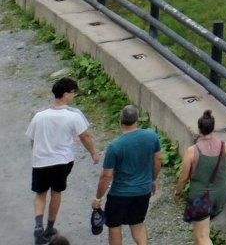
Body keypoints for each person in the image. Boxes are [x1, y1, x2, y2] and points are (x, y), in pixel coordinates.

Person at [27, 77, 100, 244]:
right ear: (66, 94)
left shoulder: (39, 116)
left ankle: (38, 226)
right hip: (62, 161)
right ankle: (50, 228)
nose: (73, 96)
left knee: (40, 193)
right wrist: (94, 153)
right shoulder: (72, 116)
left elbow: (32, 139)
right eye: (73, 93)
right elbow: (85, 136)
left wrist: (38, 153)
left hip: (41, 162)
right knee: (56, 193)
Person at [92, 105, 161, 245]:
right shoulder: (151, 136)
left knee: (114, 226)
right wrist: (153, 179)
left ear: (120, 120)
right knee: (137, 224)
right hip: (143, 191)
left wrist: (98, 198)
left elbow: (106, 176)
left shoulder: (115, 146)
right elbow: (158, 159)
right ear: (137, 119)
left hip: (120, 194)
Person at [173, 110, 226, 245]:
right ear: (213, 128)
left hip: (200, 197)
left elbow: (184, 178)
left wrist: (177, 192)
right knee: (198, 233)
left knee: (202, 236)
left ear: (199, 129)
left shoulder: (192, 151)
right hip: (219, 194)